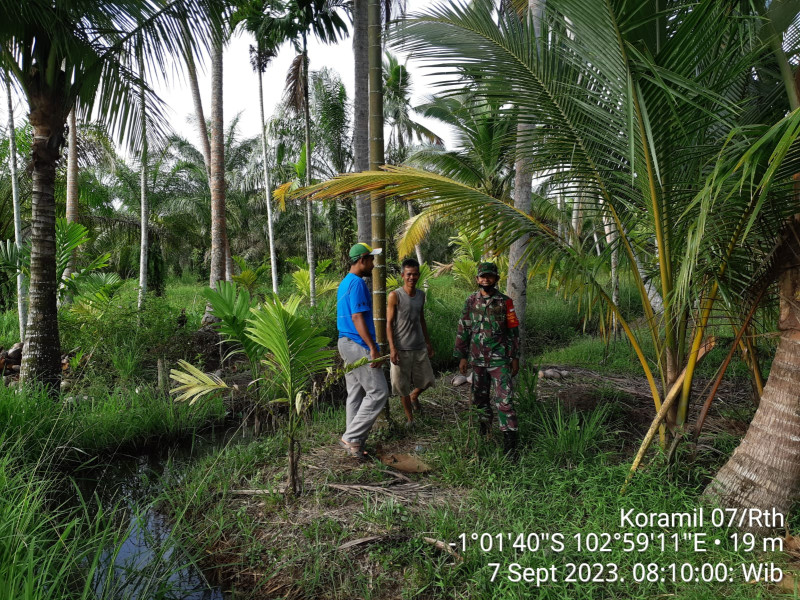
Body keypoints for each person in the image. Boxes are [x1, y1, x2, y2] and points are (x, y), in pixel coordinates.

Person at [454, 262, 521, 455]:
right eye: (482, 277)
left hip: (500, 359)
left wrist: (514, 357)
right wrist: (462, 356)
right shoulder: (470, 301)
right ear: (477, 279)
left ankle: (510, 444)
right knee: (480, 399)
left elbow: (513, 331)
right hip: (477, 360)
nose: (486, 280)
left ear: (496, 279)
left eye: (490, 276)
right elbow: (463, 327)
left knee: (505, 401)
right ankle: (484, 434)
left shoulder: (505, 302)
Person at [337, 242, 389, 460]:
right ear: (361, 260)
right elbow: (357, 318)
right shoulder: (357, 284)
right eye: (371, 259)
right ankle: (351, 437)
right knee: (379, 392)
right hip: (357, 344)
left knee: (356, 392)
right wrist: (372, 348)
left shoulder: (345, 282)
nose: (374, 264)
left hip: (344, 342)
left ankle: (354, 444)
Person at [387, 258, 435, 428]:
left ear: (418, 275)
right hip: (401, 348)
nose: (412, 278)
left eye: (415, 274)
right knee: (402, 386)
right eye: (408, 274)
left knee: (428, 380)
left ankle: (415, 396)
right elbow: (389, 323)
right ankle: (410, 419)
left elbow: (421, 319)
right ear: (402, 275)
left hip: (419, 345)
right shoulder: (395, 295)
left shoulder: (421, 295)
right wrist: (392, 348)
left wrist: (428, 342)